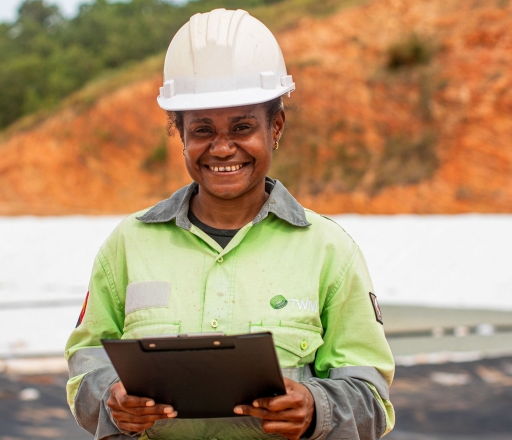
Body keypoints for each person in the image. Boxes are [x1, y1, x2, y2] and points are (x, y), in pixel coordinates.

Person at [65, 8, 395, 440]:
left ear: (275, 127)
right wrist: (111, 399)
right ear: (180, 133)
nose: (222, 149)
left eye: (242, 127)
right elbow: (85, 366)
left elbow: (372, 401)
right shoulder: (129, 244)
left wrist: (317, 409)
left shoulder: (328, 250)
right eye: (203, 130)